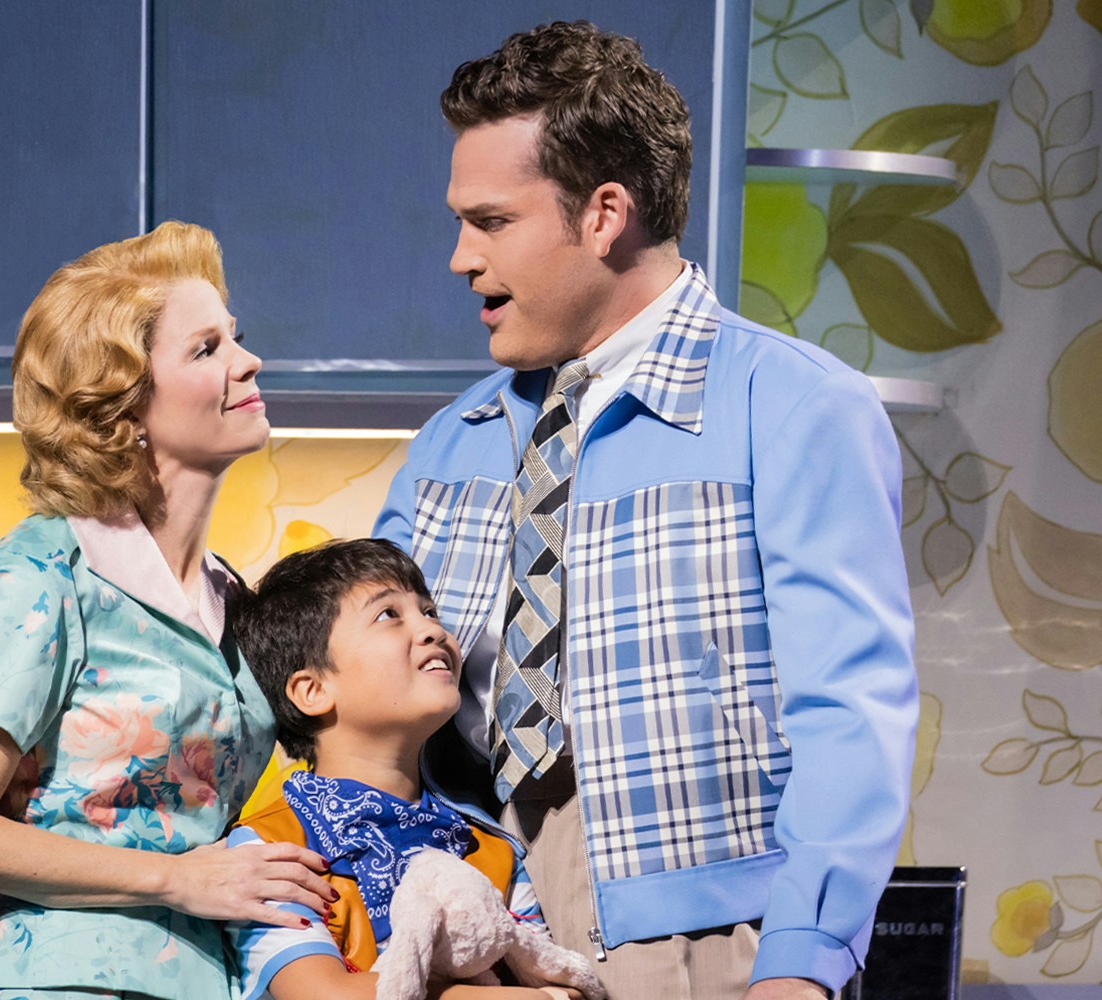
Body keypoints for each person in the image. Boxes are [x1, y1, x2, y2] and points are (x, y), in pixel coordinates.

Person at [374, 21, 919, 1000]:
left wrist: (802, 961)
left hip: (709, 955)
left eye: (490, 222)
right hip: (482, 953)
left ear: (603, 214)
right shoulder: (448, 447)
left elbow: (849, 715)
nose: (459, 257)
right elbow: (362, 712)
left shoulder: (790, 408)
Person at [0, 220, 336, 999]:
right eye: (206, 349)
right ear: (121, 410)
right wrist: (177, 880)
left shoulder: (231, 597)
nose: (248, 362)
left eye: (235, 338)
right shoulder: (41, 580)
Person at [227, 538, 595, 1000]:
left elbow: (553, 975)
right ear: (312, 690)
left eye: (430, 611)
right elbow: (324, 993)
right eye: (388, 615)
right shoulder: (271, 847)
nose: (432, 630)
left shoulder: (491, 849)